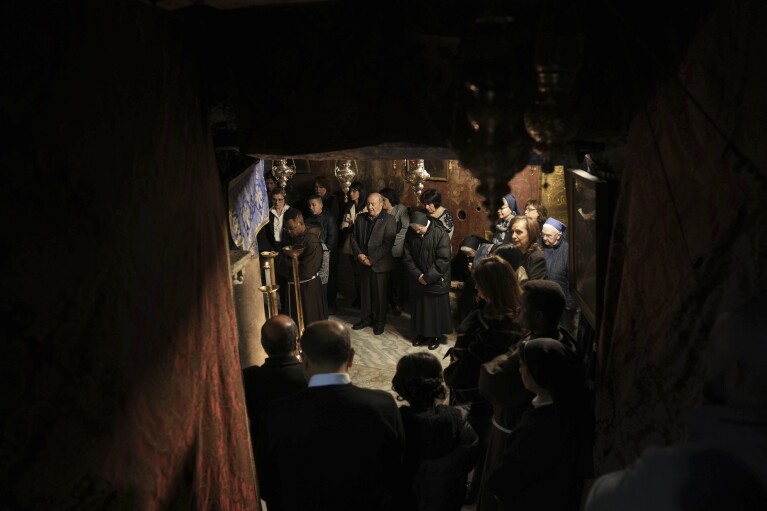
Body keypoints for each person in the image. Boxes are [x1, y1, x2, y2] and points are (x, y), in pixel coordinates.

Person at [584, 290, 767, 511]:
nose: (705, 361)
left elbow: (601, 500)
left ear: (735, 376)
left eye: (714, 352)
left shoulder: (683, 473)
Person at [256, 320, 405, 511]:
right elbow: (398, 471)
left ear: (304, 360)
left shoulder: (277, 414)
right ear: (351, 357)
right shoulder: (383, 406)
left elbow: (266, 484)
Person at [476, 279, 581, 511]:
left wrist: (502, 360)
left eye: (522, 308)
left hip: (509, 428)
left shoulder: (539, 354)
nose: (517, 311)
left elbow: (489, 378)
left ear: (539, 317)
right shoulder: (553, 339)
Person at [444, 256, 524, 504]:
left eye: (479, 284)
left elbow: (472, 362)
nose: (475, 289)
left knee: (474, 447)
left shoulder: (498, 324)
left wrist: (452, 374)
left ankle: (469, 491)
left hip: (477, 395)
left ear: (492, 287)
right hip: (477, 390)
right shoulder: (504, 314)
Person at [487, 337, 585, 511]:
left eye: (524, 365)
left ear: (539, 373)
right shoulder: (569, 407)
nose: (519, 369)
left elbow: (509, 478)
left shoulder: (537, 427)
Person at [392, 352, 479, 511]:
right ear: (439, 384)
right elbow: (470, 459)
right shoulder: (459, 422)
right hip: (446, 501)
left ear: (399, 385)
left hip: (403, 501)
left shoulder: (393, 424)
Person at [241, 314, 307, 448]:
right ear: (297, 342)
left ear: (263, 344)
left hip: (264, 453)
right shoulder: (310, 376)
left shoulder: (248, 378)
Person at [402, 210, 453, 350]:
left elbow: (443, 260)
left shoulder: (440, 233)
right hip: (418, 279)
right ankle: (421, 334)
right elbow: (407, 257)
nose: (416, 232)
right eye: (414, 229)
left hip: (436, 279)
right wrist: (418, 275)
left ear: (424, 224)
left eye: (418, 229)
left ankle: (435, 336)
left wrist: (428, 277)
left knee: (434, 310)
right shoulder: (411, 232)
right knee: (420, 309)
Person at [350, 192, 397, 336]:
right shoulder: (360, 218)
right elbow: (353, 238)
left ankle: (379, 322)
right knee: (365, 293)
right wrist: (359, 254)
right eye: (368, 204)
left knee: (379, 296)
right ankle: (365, 319)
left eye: (373, 204)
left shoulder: (390, 219)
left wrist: (371, 259)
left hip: (380, 264)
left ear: (381, 205)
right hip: (362, 262)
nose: (369, 207)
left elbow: (387, 244)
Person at [275, 208, 327, 325]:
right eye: (286, 228)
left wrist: (287, 262)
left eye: (291, 228)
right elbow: (278, 258)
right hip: (293, 285)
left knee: (310, 322)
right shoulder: (290, 237)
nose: (288, 231)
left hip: (308, 289)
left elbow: (307, 270)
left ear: (300, 223)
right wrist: (292, 263)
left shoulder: (312, 241)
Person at [541, 217, 579, 336]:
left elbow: (572, 280)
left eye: (548, 235)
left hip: (563, 305)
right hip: (544, 301)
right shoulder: (540, 246)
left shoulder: (568, 250)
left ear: (558, 235)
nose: (544, 238)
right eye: (543, 235)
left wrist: (569, 304)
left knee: (564, 333)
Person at [380, 187, 410, 315]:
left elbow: (405, 228)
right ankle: (386, 303)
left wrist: (392, 240)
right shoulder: (381, 212)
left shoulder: (400, 209)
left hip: (397, 250)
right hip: (383, 252)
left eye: (384, 200)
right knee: (385, 280)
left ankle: (397, 304)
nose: (382, 202)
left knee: (397, 279)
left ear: (390, 199)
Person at [306, 193, 338, 314]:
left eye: (313, 205)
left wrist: (323, 253)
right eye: (309, 205)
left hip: (327, 256)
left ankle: (330, 305)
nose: (311, 208)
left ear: (321, 205)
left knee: (329, 283)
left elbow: (332, 239)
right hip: (313, 257)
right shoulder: (307, 220)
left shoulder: (329, 219)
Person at [339, 181, 368, 307]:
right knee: (355, 273)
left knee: (364, 273)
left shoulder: (367, 206)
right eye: (351, 191)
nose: (351, 193)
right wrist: (352, 227)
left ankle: (365, 298)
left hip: (364, 244)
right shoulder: (349, 206)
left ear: (361, 192)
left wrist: (353, 226)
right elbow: (344, 225)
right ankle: (359, 297)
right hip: (351, 243)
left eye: (354, 191)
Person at [510, 215, 548, 280]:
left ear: (531, 234)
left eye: (518, 232)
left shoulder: (537, 258)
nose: (513, 236)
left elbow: (533, 288)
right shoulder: (513, 253)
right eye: (512, 232)